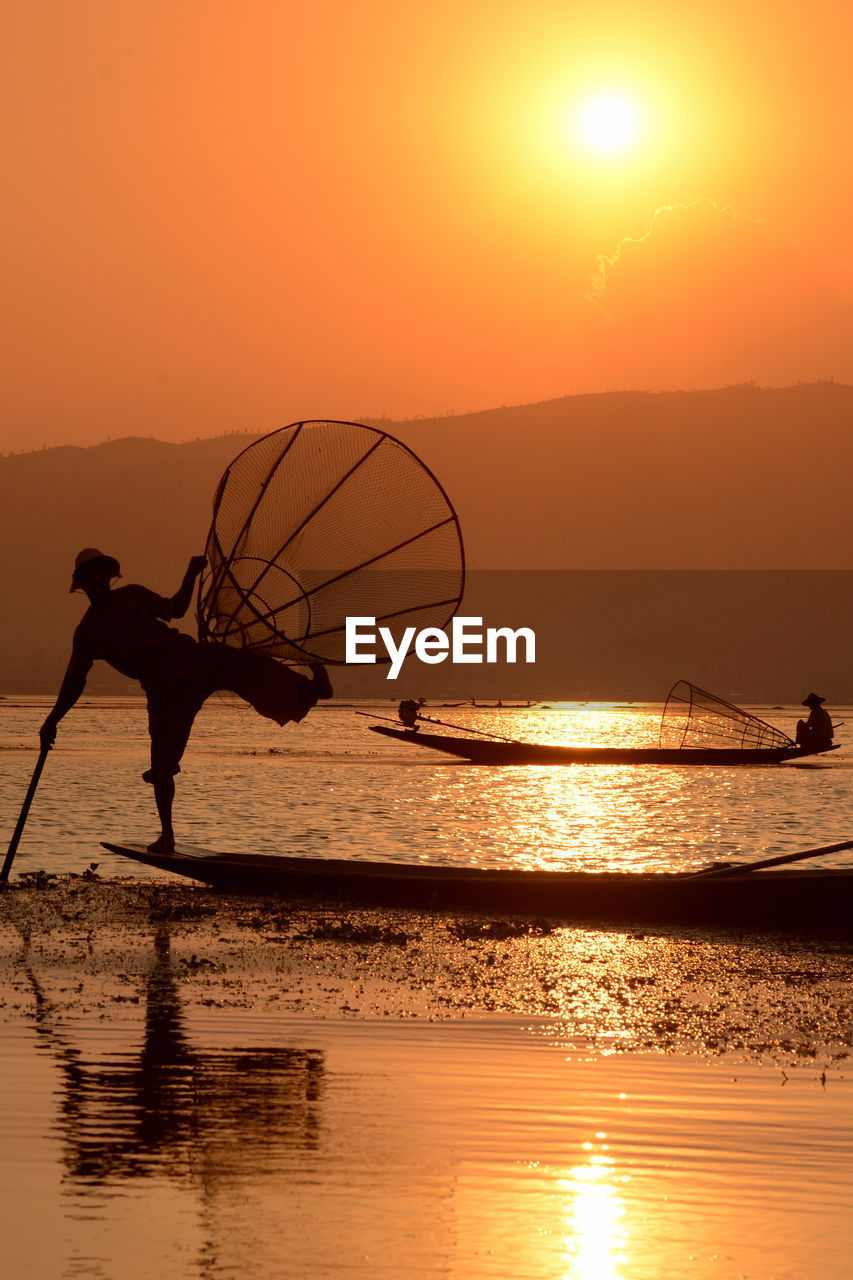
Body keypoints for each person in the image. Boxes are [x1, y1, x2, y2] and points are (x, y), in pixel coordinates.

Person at [40, 548, 333, 853]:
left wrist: (191, 574)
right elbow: (74, 682)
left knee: (246, 666)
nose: (98, 579)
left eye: (102, 572)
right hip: (164, 690)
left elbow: (175, 608)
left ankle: (313, 690)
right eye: (91, 575)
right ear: (83, 583)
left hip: (191, 659)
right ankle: (167, 835)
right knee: (162, 766)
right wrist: (51, 722)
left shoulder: (132, 595)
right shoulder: (87, 633)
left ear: (108, 575)